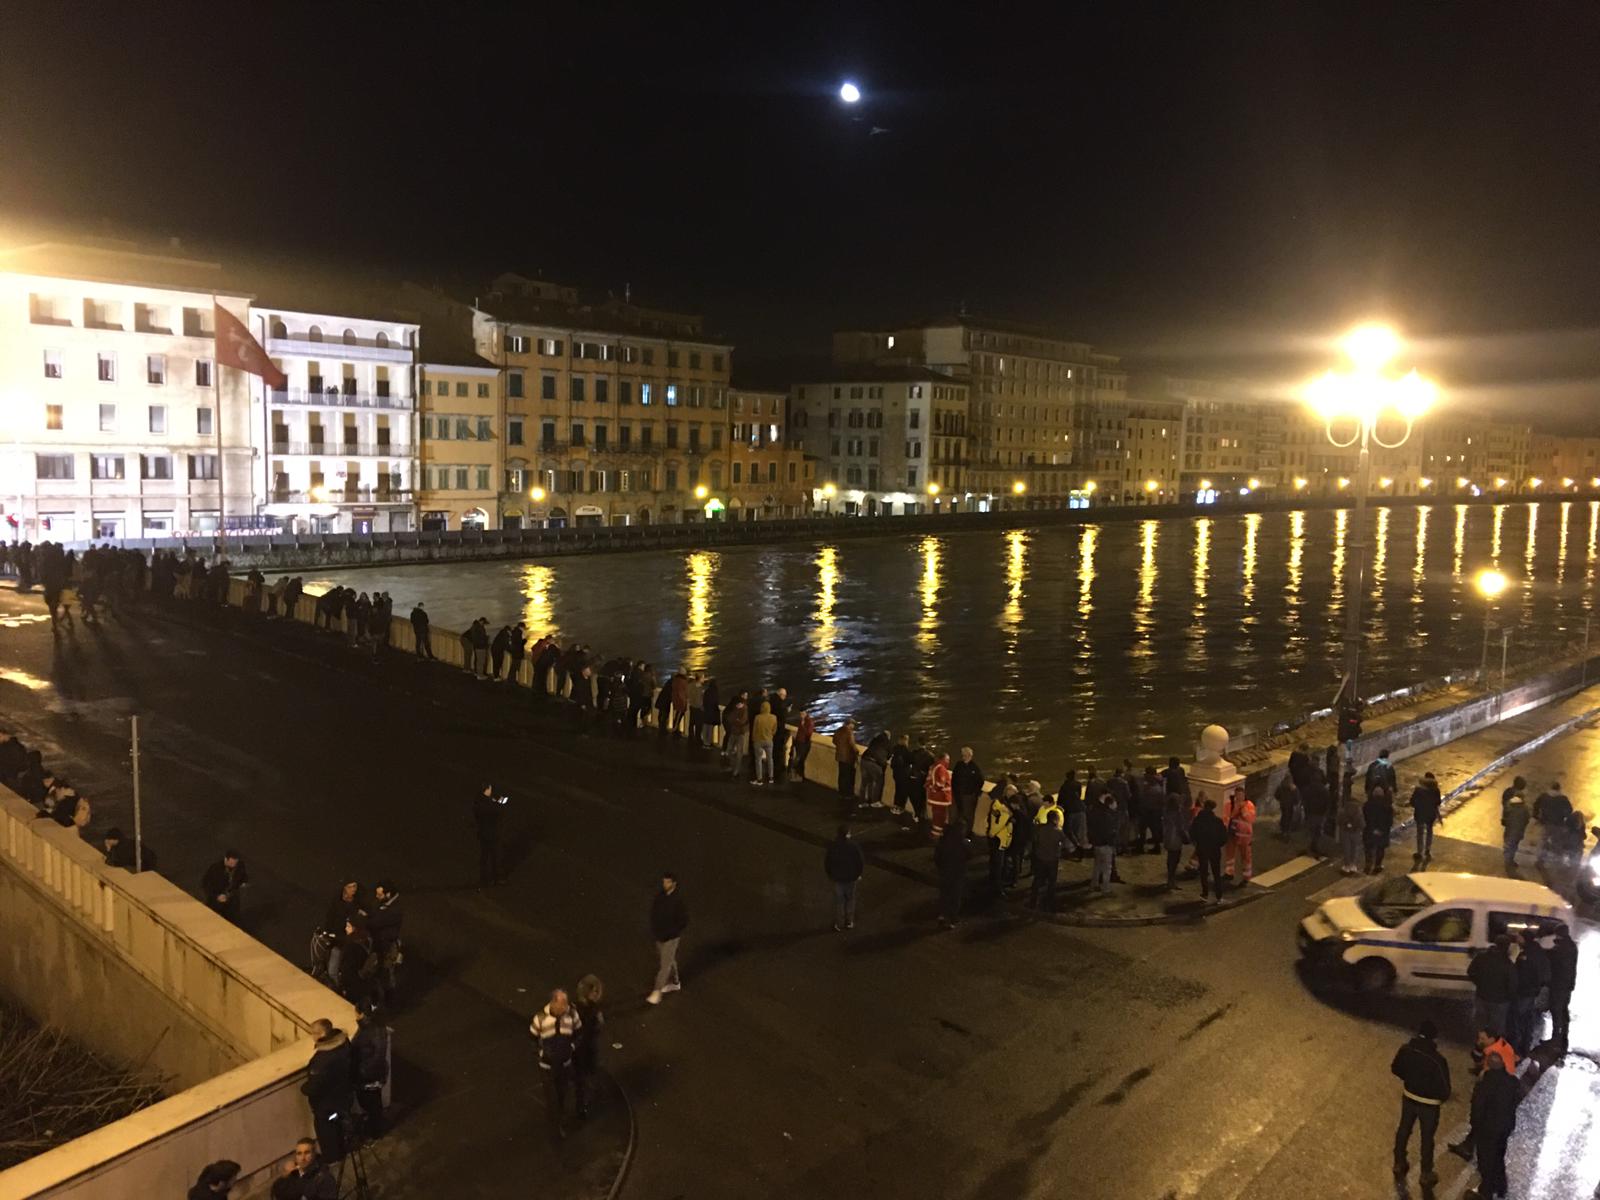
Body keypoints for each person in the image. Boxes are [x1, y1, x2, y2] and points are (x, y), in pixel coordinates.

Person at [1391, 1018, 1451, 1186]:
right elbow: (1445, 1089)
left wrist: (1409, 1079)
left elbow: (1395, 1068)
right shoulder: (1438, 1060)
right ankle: (1426, 1173)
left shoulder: (1406, 1049)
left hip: (1409, 1097)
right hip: (1429, 1105)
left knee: (1403, 1129)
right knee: (1426, 1138)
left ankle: (1399, 1162)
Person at [1466, 1050, 1522, 1200]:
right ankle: (1501, 1186)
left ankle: (1486, 1191)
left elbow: (1477, 1107)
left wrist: (1474, 1125)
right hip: (1505, 1127)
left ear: (1488, 1066)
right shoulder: (1512, 1082)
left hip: (1487, 1129)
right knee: (1498, 1156)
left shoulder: (1484, 1084)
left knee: (1485, 1160)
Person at [530, 987, 584, 1138]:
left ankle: (559, 1122)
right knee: (551, 1096)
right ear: (553, 1002)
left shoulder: (572, 1015)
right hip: (547, 1066)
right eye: (562, 1004)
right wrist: (541, 1053)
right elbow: (532, 1038)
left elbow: (579, 1033)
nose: (565, 1007)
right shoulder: (540, 1018)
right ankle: (555, 1125)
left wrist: (571, 1048)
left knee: (562, 1094)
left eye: (566, 1003)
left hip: (565, 1064)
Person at [301, 1019, 352, 1162]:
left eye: (314, 1033)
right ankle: (342, 1151)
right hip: (342, 1099)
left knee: (327, 1133)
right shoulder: (343, 1043)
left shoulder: (322, 1059)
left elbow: (314, 1086)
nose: (312, 1036)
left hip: (326, 1106)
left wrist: (304, 1088)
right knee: (338, 1127)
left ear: (322, 1033)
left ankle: (333, 1159)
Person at [646, 873, 687, 1005]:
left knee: (665, 965)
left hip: (671, 938)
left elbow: (683, 920)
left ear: (674, 883)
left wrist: (672, 932)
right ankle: (675, 982)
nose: (665, 885)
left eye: (668, 882)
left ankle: (656, 992)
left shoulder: (678, 900)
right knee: (669, 959)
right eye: (664, 882)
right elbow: (653, 913)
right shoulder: (660, 897)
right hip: (659, 936)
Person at [1469, 936, 1518, 1040]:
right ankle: (1492, 1049)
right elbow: (1512, 985)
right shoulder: (1507, 964)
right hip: (1500, 1001)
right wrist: (1509, 997)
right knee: (1496, 1028)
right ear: (1507, 946)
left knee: (1480, 1024)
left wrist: (1479, 984)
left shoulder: (1481, 957)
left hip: (1482, 996)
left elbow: (1471, 972)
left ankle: (1479, 1046)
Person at [351, 1007, 390, 1137]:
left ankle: (375, 1130)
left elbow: (377, 1055)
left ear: (362, 1014)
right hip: (370, 1075)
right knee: (372, 1104)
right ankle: (375, 1127)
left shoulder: (371, 1031)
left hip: (368, 1076)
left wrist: (363, 1072)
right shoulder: (372, 1028)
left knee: (371, 1104)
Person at [825, 824, 866, 931]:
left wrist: (830, 875)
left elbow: (828, 862)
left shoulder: (833, 846)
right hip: (851, 878)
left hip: (838, 878)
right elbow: (860, 862)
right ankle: (849, 921)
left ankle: (839, 923)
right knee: (850, 899)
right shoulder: (853, 846)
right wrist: (858, 874)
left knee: (839, 901)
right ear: (848, 833)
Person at [574, 974, 605, 1109]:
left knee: (578, 1077)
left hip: (577, 1047)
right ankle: (582, 1104)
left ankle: (580, 1101)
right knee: (585, 1077)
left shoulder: (574, 1008)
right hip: (587, 1048)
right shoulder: (593, 1010)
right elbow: (597, 1027)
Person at [270, 1138, 337, 1200]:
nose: (303, 1158)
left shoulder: (324, 1178)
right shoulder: (294, 1173)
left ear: (314, 1154)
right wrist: (285, 1176)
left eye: (307, 1153)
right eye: (299, 1154)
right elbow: (277, 1193)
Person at [1190, 799, 1228, 903]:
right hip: (1214, 850)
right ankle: (1219, 896)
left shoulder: (1198, 820)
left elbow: (1192, 834)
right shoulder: (1217, 821)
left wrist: (1198, 844)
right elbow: (1224, 837)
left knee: (1203, 871)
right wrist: (1218, 844)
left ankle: (1205, 894)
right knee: (1216, 872)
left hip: (1202, 849)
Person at [1548, 923, 1579, 1054]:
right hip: (1567, 984)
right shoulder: (1572, 946)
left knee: (1556, 1010)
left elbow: (1554, 961)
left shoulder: (1560, 949)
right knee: (1563, 1009)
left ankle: (1555, 1039)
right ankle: (1563, 1036)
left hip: (1558, 984)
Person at [935, 816, 969, 928]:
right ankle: (953, 919)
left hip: (944, 872)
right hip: (957, 874)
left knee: (944, 894)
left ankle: (942, 915)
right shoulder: (962, 843)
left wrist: (940, 867)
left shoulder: (944, 840)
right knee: (955, 896)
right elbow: (968, 856)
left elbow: (937, 856)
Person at [1029, 809, 1065, 912]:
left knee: (1037, 880)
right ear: (1055, 820)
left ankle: (1033, 901)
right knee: (1052, 882)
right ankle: (1049, 903)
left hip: (1040, 858)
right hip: (1052, 859)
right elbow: (1064, 843)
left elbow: (1035, 841)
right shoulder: (1058, 831)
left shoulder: (1040, 829)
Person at [201, 850, 248, 925]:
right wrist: (216, 896)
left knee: (232, 919)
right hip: (217, 900)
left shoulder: (240, 866)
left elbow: (243, 876)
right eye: (232, 863)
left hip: (231, 898)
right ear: (226, 859)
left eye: (235, 863)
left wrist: (243, 882)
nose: (234, 865)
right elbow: (205, 884)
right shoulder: (215, 869)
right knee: (212, 919)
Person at [1533, 781, 1573, 867]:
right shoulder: (1563, 799)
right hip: (1558, 824)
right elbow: (1569, 811)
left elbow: (1535, 806)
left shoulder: (1544, 796)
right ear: (1559, 789)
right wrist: (1565, 819)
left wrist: (1536, 816)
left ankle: (1540, 860)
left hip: (1545, 822)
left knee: (1543, 841)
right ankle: (1556, 862)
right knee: (1557, 843)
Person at [473, 784, 507, 886]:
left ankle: (485, 878)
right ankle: (494, 878)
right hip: (490, 833)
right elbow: (498, 810)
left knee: (485, 857)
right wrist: (499, 802)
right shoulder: (488, 803)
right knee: (493, 857)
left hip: (484, 833)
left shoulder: (480, 802)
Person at [1222, 786, 1255, 885]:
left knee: (1246, 856)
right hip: (1232, 833)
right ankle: (1229, 873)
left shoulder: (1249, 805)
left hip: (1245, 836)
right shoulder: (1229, 805)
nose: (1239, 797)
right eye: (1237, 795)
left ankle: (1246, 877)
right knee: (1230, 854)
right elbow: (1226, 818)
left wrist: (1243, 809)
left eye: (1241, 795)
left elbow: (1250, 819)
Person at [1087, 792, 1119, 894]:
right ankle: (1106, 889)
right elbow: (1110, 832)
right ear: (1110, 804)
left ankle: (1094, 885)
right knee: (1106, 868)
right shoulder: (1108, 816)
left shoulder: (1098, 813)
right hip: (1106, 844)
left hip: (1097, 843)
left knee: (1097, 866)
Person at [1410, 772, 1444, 863]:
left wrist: (1418, 805)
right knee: (1429, 831)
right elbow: (1438, 803)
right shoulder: (1436, 790)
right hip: (1431, 814)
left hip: (1420, 813)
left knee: (1420, 833)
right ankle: (1427, 849)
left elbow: (1412, 802)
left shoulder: (1418, 790)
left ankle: (1419, 851)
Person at [987, 788, 1015, 894]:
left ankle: (993, 882)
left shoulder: (997, 806)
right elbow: (999, 824)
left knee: (996, 862)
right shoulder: (1002, 810)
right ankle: (997, 887)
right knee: (998, 864)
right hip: (1000, 840)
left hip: (998, 839)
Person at [1363, 785, 1394, 874]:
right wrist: (1382, 830)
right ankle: (1377, 865)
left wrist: (1372, 829)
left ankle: (1368, 864)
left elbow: (1365, 818)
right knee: (1380, 849)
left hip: (1369, 831)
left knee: (1369, 848)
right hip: (1382, 832)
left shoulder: (1367, 805)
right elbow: (1389, 821)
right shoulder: (1387, 806)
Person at [1161, 792, 1189, 890]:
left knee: (1170, 859)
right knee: (1175, 860)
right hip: (1175, 839)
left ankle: (1170, 879)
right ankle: (1171, 881)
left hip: (1168, 838)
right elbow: (1180, 827)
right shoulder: (1177, 814)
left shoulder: (1167, 811)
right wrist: (1186, 838)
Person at [1501, 787, 1531, 874]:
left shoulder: (1508, 804)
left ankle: (1508, 860)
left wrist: (1506, 822)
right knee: (1514, 845)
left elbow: (1504, 816)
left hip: (1509, 828)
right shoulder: (1524, 808)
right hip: (1518, 829)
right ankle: (1509, 860)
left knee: (1508, 843)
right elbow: (1527, 819)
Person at [1302, 767, 1331, 857]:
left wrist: (1306, 811)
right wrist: (1325, 813)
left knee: (1310, 831)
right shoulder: (1324, 791)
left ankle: (1308, 849)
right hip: (1320, 814)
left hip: (1310, 813)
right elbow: (1327, 803)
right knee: (1318, 832)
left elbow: (1305, 801)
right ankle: (1316, 847)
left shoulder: (1308, 789)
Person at [751, 701, 778, 786]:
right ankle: (771, 777)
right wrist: (770, 735)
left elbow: (754, 730)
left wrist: (753, 739)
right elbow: (774, 730)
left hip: (759, 741)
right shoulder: (774, 717)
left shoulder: (758, 717)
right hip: (769, 740)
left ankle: (759, 779)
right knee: (770, 759)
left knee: (758, 760)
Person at [926, 752, 954, 835]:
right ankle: (937, 833)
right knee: (940, 816)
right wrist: (936, 789)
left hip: (934, 798)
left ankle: (935, 831)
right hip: (941, 798)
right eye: (947, 760)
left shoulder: (933, 767)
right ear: (943, 759)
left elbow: (928, 781)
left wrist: (932, 790)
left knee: (936, 815)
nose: (948, 762)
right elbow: (940, 783)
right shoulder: (941, 769)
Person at [833, 719, 859, 803]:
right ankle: (847, 794)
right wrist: (856, 751)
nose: (854, 726)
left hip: (840, 757)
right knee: (848, 776)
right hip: (848, 758)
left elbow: (834, 741)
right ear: (850, 724)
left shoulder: (839, 730)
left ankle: (841, 792)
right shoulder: (849, 732)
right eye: (853, 725)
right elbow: (852, 745)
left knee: (841, 775)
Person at [791, 709, 815, 780]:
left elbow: (809, 733)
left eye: (802, 714)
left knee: (800, 760)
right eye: (800, 714)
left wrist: (802, 726)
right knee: (800, 760)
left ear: (806, 713)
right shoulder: (803, 720)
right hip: (799, 742)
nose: (801, 716)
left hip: (804, 743)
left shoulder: (809, 722)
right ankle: (799, 775)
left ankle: (800, 775)